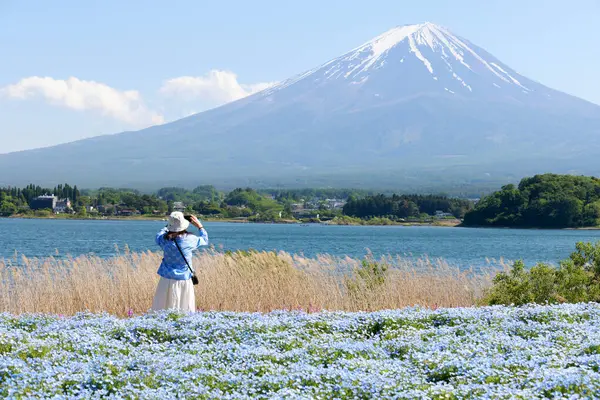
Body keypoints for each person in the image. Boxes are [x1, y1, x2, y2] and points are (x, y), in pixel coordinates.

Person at [151, 211, 208, 312]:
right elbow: (204, 239)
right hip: (184, 279)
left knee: (162, 309)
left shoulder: (163, 240)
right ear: (183, 226)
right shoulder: (190, 240)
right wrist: (200, 226)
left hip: (166, 280)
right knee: (184, 309)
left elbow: (159, 234)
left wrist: (168, 226)